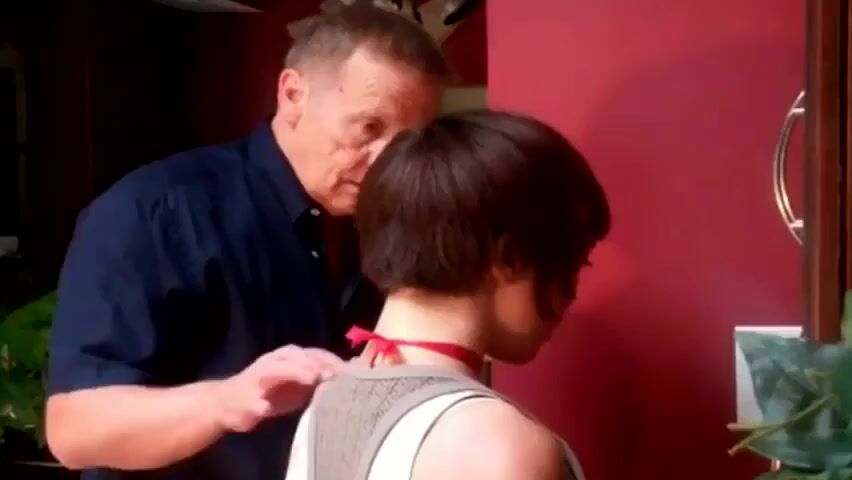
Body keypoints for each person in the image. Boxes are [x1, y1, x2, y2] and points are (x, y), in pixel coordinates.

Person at [44, 5, 448, 480]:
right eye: (368, 128)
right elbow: (75, 431)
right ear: (293, 95)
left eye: (405, 143)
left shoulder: (396, 224)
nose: (384, 163)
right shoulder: (154, 213)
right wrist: (229, 399)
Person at [283, 110, 611, 480]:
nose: (571, 296)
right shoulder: (495, 446)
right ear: (510, 259)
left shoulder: (325, 403)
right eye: (572, 263)